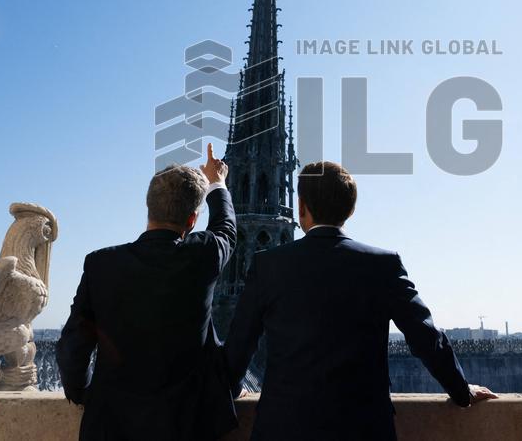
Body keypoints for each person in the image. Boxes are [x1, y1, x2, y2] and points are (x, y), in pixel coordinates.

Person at [224, 161, 497, 441]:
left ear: (301, 206)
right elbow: (424, 335)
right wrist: (460, 390)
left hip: (282, 428)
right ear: (350, 211)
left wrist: (232, 389)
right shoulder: (383, 265)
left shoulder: (267, 266)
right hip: (362, 428)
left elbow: (239, 344)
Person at [56, 144, 237, 441]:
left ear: (149, 208)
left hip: (110, 426)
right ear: (192, 220)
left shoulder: (101, 264)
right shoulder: (203, 255)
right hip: (184, 426)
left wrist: (84, 393)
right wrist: (217, 182)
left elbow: (73, 345)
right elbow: (226, 228)